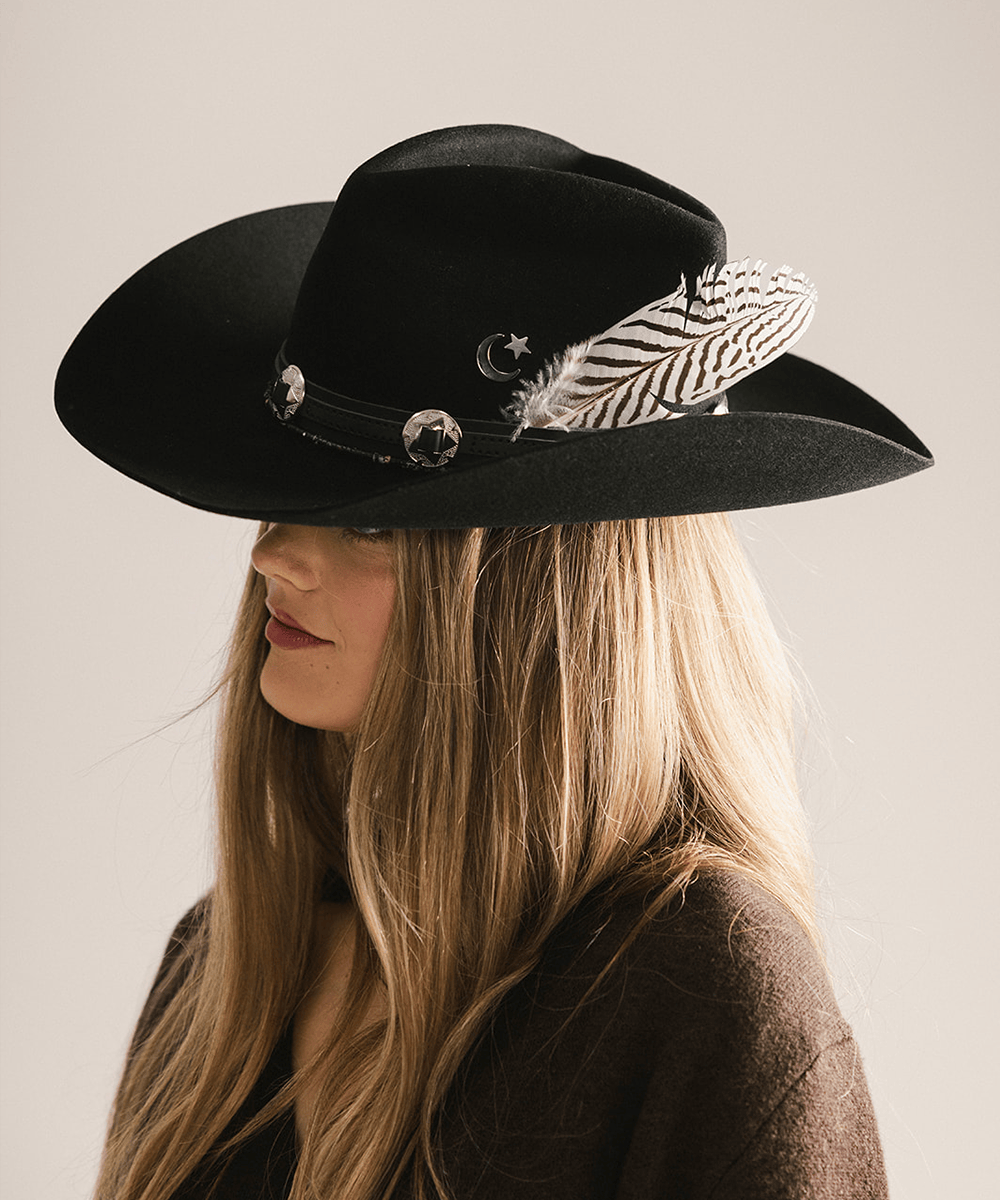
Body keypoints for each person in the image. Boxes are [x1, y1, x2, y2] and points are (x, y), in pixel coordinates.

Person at [55, 124, 932, 1200]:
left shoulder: (701, 988)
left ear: (541, 592)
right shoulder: (224, 969)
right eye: (284, 499)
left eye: (368, 523)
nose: (272, 556)